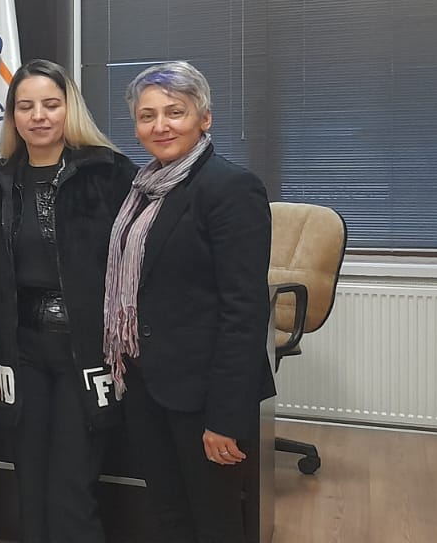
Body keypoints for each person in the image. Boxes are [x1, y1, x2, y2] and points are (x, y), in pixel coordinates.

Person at [105, 61, 273, 543]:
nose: (160, 126)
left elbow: (244, 311)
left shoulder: (229, 188)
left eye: (174, 112)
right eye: (147, 116)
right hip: (147, 383)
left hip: (203, 395)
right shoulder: (141, 190)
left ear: (204, 118)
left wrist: (225, 417)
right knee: (169, 514)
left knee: (215, 523)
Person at [0, 60, 136, 543]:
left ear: (70, 109)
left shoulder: (109, 173)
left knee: (72, 486)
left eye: (50, 104)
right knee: (29, 483)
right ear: (12, 116)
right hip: (21, 351)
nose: (39, 116)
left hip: (86, 350)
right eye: (25, 106)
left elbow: (136, 266)